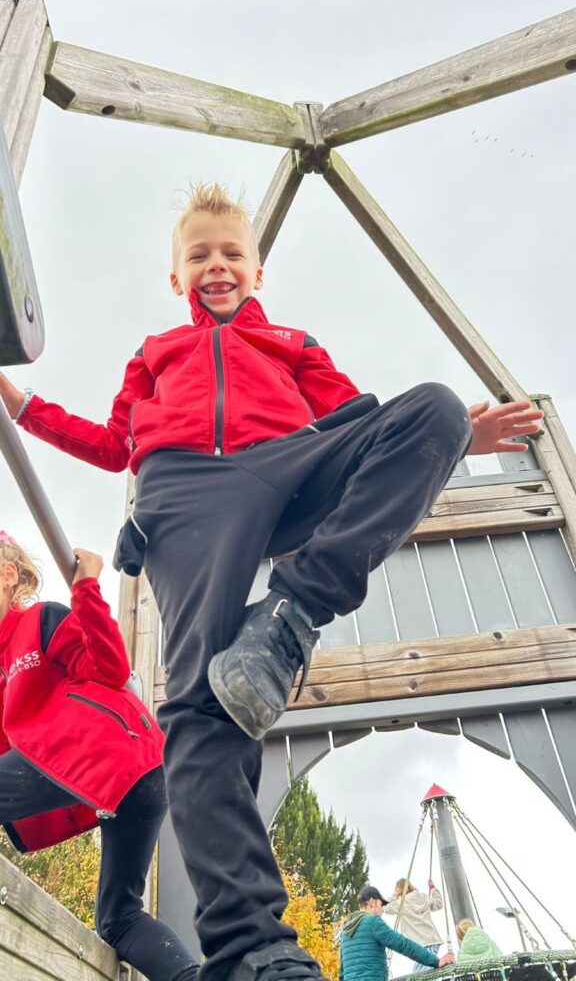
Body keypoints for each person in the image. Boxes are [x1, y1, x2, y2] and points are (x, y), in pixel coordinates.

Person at [0, 183, 544, 981]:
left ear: (257, 272)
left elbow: (358, 422)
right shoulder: (154, 353)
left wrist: (458, 431)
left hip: (289, 465)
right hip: (183, 494)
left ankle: (292, 610)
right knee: (196, 705)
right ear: (177, 279)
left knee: (430, 407)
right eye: (199, 257)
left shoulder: (292, 342)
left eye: (231, 255)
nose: (216, 266)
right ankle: (254, 947)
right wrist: (22, 404)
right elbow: (114, 443)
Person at [0, 531, 199, 981]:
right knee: (118, 919)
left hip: (114, 753)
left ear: (7, 575)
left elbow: (109, 668)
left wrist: (86, 586)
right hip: (130, 781)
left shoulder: (39, 622)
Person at [340, 885, 454, 981]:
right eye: (380, 905)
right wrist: (436, 961)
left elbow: (342, 972)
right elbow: (403, 945)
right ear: (372, 902)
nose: (381, 911)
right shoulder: (373, 922)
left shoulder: (346, 930)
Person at [384, 879, 444, 973]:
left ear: (399, 889)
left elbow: (385, 908)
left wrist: (395, 895)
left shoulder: (401, 903)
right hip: (432, 940)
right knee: (421, 972)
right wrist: (433, 889)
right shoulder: (424, 897)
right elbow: (439, 904)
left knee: (422, 974)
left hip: (419, 944)